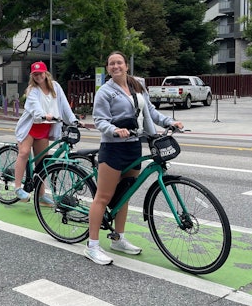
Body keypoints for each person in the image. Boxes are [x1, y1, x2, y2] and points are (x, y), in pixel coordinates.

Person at [84, 51, 184, 265]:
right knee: (103, 197)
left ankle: (118, 238)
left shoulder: (137, 85)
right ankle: (92, 245)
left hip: (134, 145)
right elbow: (99, 120)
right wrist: (114, 130)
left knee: (125, 196)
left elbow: (151, 111)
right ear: (108, 68)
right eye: (111, 63)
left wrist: (169, 122)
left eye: (119, 62)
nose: (115, 66)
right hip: (113, 148)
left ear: (126, 66)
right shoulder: (105, 92)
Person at [13, 61, 78, 204]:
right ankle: (17, 188)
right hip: (31, 127)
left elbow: (64, 105)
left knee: (42, 163)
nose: (38, 76)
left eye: (40, 73)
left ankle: (41, 195)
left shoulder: (56, 87)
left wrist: (74, 120)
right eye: (35, 74)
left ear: (46, 73)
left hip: (45, 128)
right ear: (32, 76)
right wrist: (43, 115)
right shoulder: (32, 90)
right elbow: (34, 106)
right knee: (24, 153)